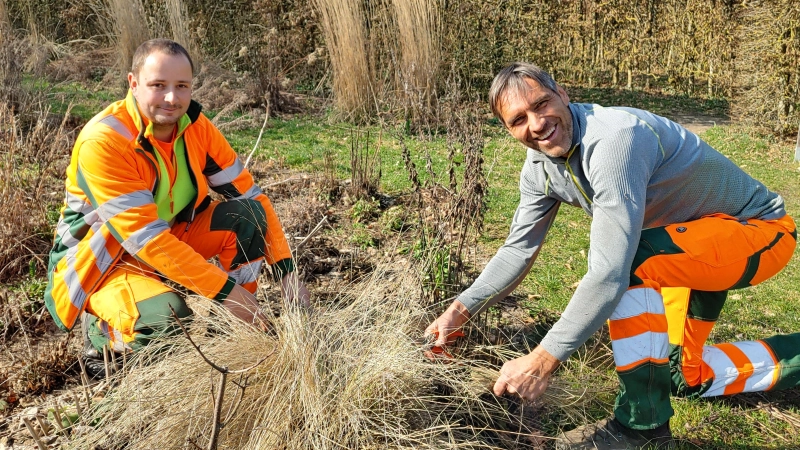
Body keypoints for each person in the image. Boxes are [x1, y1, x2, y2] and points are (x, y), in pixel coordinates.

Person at [425, 62, 798, 449]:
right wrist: (460, 310)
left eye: (542, 104)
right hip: (687, 250)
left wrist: (541, 361)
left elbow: (608, 275)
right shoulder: (539, 167)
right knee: (679, 376)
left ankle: (641, 428)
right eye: (519, 119)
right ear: (507, 129)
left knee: (629, 262)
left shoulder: (614, 141)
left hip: (758, 234)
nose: (536, 124)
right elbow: (518, 249)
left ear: (564, 94)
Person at [44, 38, 309, 376]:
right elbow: (146, 240)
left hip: (169, 243)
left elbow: (252, 198)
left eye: (181, 86)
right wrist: (225, 291)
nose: (172, 98)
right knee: (170, 320)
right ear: (133, 84)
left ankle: (229, 336)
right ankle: (102, 336)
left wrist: (288, 274)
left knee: (248, 219)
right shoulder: (105, 142)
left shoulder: (196, 127)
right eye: (158, 86)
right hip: (106, 264)